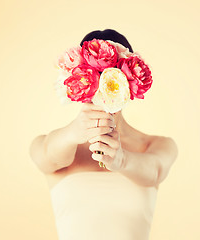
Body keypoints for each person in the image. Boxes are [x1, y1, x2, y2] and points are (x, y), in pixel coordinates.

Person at [29, 29, 178, 240]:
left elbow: (154, 171)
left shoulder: (156, 146)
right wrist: (74, 132)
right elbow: (46, 156)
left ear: (130, 86)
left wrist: (121, 160)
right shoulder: (57, 146)